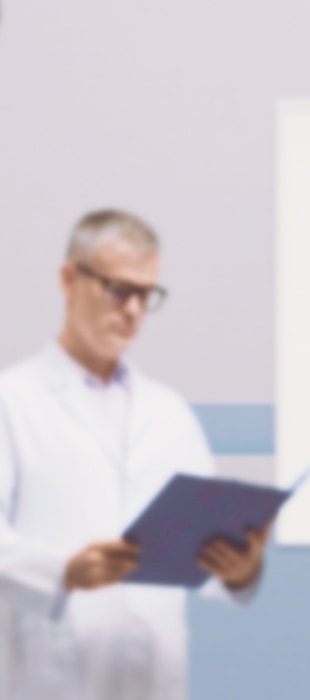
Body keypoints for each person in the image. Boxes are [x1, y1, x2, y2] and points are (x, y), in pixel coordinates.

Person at [0, 209, 269, 700]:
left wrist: (240, 569)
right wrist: (62, 571)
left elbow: (200, 550)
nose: (133, 310)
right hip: (53, 676)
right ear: (68, 278)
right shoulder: (13, 401)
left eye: (146, 295)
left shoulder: (168, 413)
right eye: (119, 289)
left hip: (154, 680)